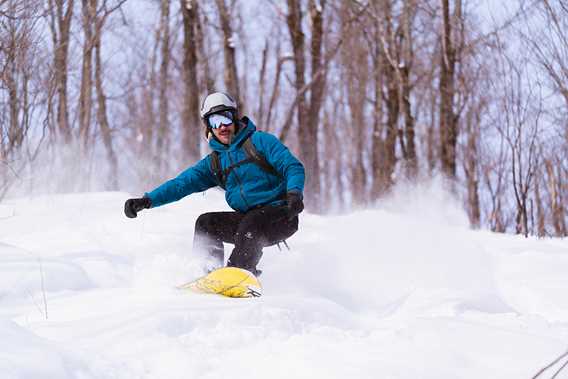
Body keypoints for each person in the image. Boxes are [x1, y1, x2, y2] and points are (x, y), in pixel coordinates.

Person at [124, 92, 305, 276]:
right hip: (248, 221)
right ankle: (209, 273)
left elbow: (292, 166)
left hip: (282, 215)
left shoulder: (260, 142)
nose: (222, 127)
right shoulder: (215, 163)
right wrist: (147, 201)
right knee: (206, 223)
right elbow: (181, 184)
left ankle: (239, 273)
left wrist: (294, 193)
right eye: (215, 122)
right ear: (209, 127)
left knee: (252, 222)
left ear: (234, 118)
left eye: (225, 118)